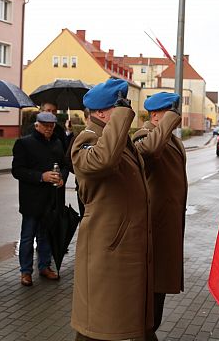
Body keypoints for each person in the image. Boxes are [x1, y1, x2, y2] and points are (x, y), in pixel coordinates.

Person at [70, 78, 152, 341]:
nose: (126, 110)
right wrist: (121, 118)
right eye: (120, 106)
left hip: (125, 245)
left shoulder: (118, 139)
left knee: (119, 321)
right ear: (102, 113)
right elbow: (102, 162)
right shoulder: (86, 140)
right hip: (106, 247)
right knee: (98, 326)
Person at [132, 92, 186, 339]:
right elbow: (150, 151)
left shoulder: (173, 140)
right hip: (154, 228)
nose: (176, 118)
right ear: (155, 116)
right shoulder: (144, 136)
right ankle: (144, 334)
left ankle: (148, 332)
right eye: (170, 113)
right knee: (150, 296)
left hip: (169, 228)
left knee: (160, 292)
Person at [12, 112, 68, 286]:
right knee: (28, 236)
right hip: (32, 199)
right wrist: (40, 176)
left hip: (51, 199)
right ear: (37, 125)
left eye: (51, 126)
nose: (49, 129)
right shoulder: (24, 143)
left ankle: (45, 266)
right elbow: (17, 170)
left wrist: (62, 178)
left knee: (46, 235)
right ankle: (26, 272)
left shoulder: (57, 142)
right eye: (45, 125)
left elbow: (65, 165)